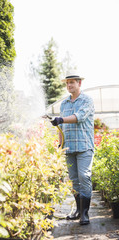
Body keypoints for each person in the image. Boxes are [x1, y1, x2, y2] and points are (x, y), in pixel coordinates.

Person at [50, 72, 95, 225]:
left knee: (84, 176)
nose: (69, 85)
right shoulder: (64, 104)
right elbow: (61, 126)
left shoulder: (86, 100)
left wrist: (60, 119)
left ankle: (85, 213)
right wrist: (60, 144)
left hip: (84, 146)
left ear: (79, 84)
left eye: (72, 83)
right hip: (69, 147)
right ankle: (77, 210)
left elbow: (79, 117)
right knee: (74, 181)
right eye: (67, 83)